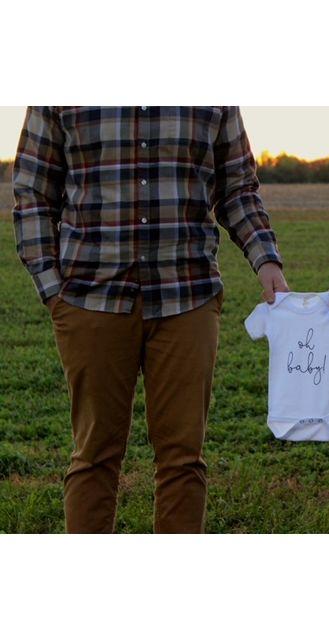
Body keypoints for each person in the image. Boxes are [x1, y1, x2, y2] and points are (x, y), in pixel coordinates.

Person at [13, 106, 288, 533]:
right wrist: (52, 288)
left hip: (188, 294)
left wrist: (266, 260)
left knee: (183, 459)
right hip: (90, 297)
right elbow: (33, 190)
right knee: (94, 456)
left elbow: (237, 187)